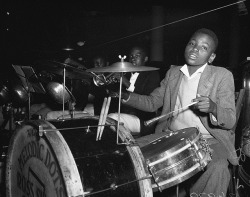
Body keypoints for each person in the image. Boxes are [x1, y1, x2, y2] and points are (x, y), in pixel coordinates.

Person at [119, 28, 238, 195]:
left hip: (209, 140)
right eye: (192, 43)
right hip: (172, 135)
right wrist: (125, 96)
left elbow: (231, 119)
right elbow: (152, 102)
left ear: (211, 57)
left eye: (204, 47)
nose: (195, 49)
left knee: (217, 168)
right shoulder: (173, 73)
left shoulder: (222, 75)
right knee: (131, 152)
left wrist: (213, 108)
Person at [108, 45, 161, 136]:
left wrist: (125, 82)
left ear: (145, 59)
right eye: (131, 56)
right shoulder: (126, 74)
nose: (133, 58)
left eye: (137, 56)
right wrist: (113, 92)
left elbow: (148, 100)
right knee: (106, 118)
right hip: (124, 113)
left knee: (112, 118)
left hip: (143, 119)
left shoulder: (152, 74)